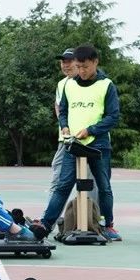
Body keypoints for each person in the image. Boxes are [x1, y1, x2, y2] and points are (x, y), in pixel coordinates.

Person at [33, 45, 121, 242]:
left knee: (103, 187)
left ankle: (107, 225)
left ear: (95, 62)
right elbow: (63, 110)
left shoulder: (106, 85)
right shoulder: (69, 85)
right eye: (79, 67)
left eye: (85, 67)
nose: (81, 71)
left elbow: (113, 117)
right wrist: (64, 126)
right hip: (72, 144)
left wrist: (90, 130)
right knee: (63, 185)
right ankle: (46, 225)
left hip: (98, 144)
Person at [48, 49, 77, 198]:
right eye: (63, 62)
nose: (65, 65)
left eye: (69, 61)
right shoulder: (61, 84)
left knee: (90, 180)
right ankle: (51, 211)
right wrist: (64, 125)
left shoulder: (89, 82)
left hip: (87, 139)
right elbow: (58, 105)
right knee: (57, 176)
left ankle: (92, 212)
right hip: (65, 140)